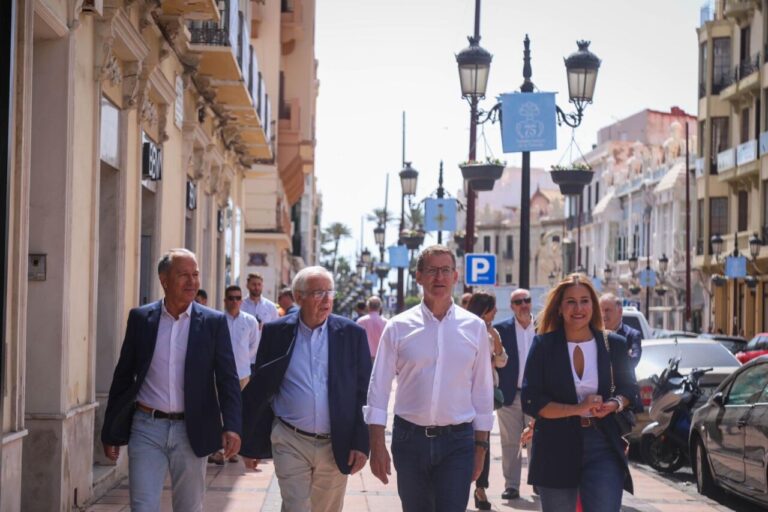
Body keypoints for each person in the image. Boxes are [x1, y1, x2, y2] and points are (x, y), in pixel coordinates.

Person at [101, 249, 242, 511]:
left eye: (195, 274)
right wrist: (110, 430)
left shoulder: (213, 323)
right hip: (146, 427)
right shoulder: (141, 319)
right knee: (143, 506)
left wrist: (232, 425)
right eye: (183, 275)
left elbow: (228, 379)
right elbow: (123, 376)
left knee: (189, 507)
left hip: (192, 429)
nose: (192, 282)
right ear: (164, 280)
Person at [365, 244, 494, 512]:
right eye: (432, 271)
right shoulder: (398, 327)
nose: (439, 278)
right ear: (419, 276)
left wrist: (480, 447)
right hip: (409, 440)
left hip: (458, 442)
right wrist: (376, 443)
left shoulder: (474, 327)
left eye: (446, 270)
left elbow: (482, 391)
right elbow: (379, 387)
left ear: (456, 277)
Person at [240, 266, 372, 512]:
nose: (325, 299)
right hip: (289, 438)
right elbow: (262, 388)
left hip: (335, 442)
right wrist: (249, 441)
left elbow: (363, 392)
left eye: (329, 292)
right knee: (296, 506)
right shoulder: (275, 332)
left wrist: (361, 442)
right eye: (318, 293)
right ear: (299, 297)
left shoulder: (351, 334)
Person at [522, 273, 640, 512]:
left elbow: (630, 389)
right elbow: (531, 400)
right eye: (571, 302)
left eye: (585, 301)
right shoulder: (543, 345)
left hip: (602, 444)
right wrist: (577, 409)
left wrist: (614, 403)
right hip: (555, 445)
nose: (579, 308)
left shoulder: (614, 344)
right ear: (560, 308)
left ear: (593, 306)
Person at [208, 285, 261, 465]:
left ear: (242, 300)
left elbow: (254, 346)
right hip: (218, 375)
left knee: (239, 412)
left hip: (242, 373)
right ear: (225, 300)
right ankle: (217, 449)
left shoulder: (250, 321)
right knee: (216, 412)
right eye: (230, 298)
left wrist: (243, 360)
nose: (234, 301)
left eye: (238, 298)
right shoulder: (216, 320)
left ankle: (235, 450)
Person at [466, 291, 508, 510]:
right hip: (463, 393)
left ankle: (480, 488)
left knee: (484, 442)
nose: (496, 312)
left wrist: (497, 341)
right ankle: (463, 484)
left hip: (486, 392)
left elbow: (502, 362)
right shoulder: (465, 327)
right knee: (465, 439)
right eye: (493, 308)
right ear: (485, 309)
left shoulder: (492, 332)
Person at [493, 288, 536, 500]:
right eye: (518, 302)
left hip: (538, 397)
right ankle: (511, 485)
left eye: (526, 300)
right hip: (510, 395)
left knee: (538, 440)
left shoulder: (543, 328)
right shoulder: (501, 329)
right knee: (510, 442)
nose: (523, 305)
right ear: (512, 307)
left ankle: (538, 481)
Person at [599, 293, 642, 369]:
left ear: (620, 311)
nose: (603, 315)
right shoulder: (595, 334)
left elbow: (633, 362)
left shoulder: (632, 335)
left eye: (607, 310)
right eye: (601, 311)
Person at [356, 296, 387, 361]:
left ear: (368, 306)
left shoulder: (360, 321)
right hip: (381, 357)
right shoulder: (386, 322)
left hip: (364, 357)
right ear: (380, 307)